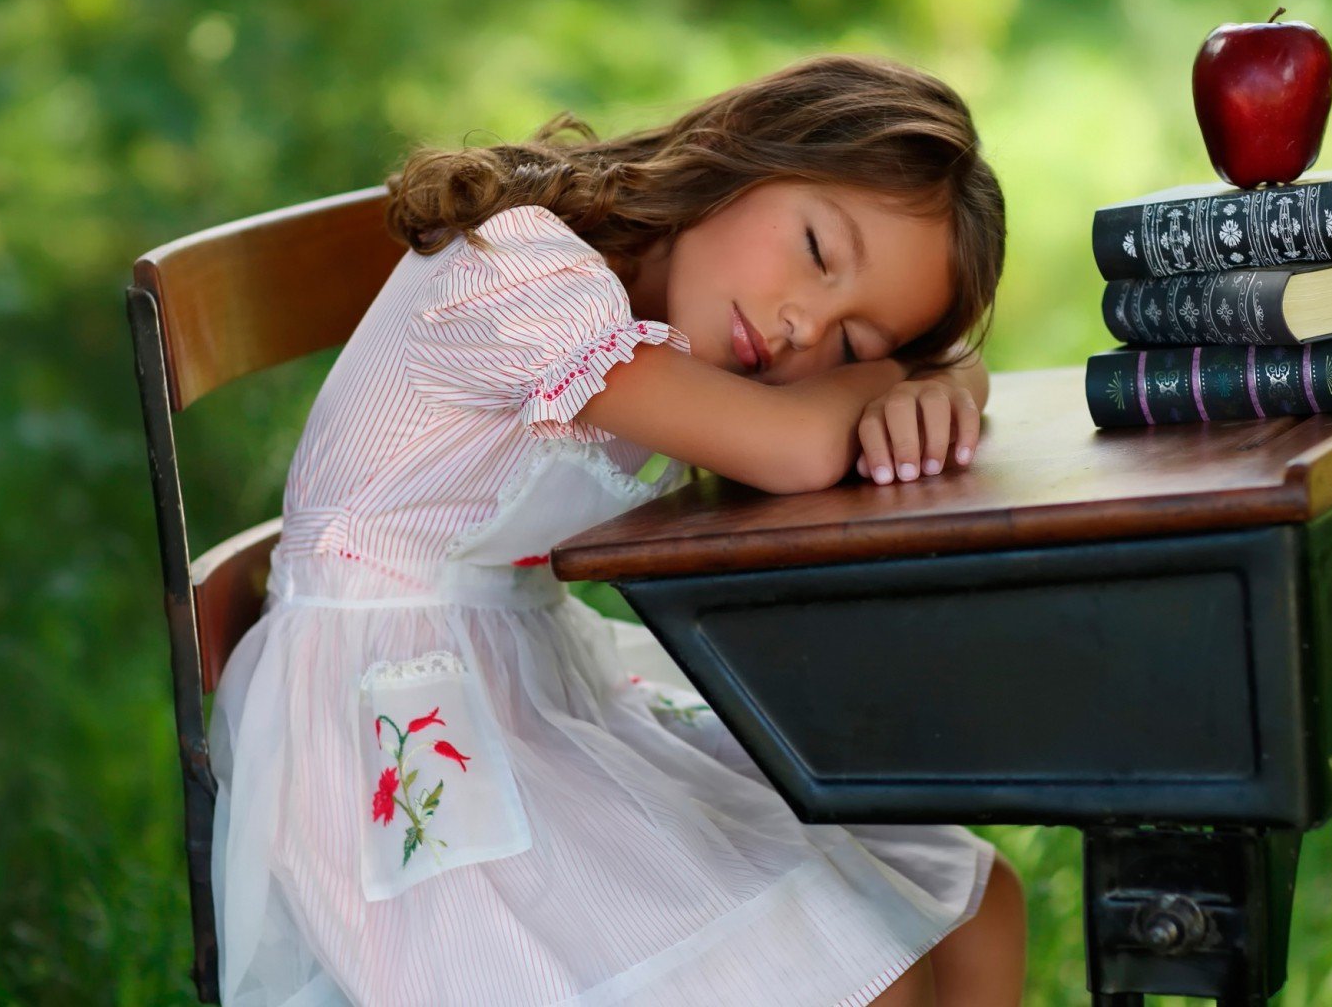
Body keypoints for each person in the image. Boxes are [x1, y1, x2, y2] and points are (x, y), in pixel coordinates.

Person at [208, 54, 1025, 1007]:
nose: (806, 327)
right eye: (815, 248)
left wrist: (944, 375)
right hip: (388, 712)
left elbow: (868, 400)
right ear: (740, 152)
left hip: (526, 674)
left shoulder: (679, 323)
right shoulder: (520, 272)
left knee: (977, 901)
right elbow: (795, 450)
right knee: (863, 974)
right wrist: (899, 375)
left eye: (852, 341)